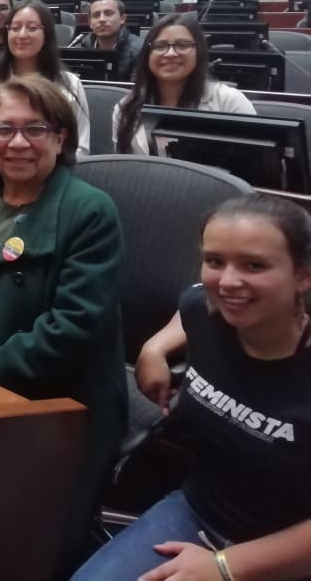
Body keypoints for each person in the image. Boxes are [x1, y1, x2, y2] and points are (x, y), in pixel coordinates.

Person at [0, 75, 127, 576]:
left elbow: (70, 329)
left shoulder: (89, 212)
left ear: (61, 137)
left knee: (14, 547)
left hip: (54, 398)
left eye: (35, 129)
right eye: (3, 129)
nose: (17, 143)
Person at [73, 193, 311, 581]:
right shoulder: (205, 309)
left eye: (254, 265)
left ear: (303, 274)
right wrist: (155, 347)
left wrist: (224, 567)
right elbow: (197, 299)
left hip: (289, 553)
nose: (229, 281)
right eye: (215, 261)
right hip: (201, 514)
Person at [113, 13, 256, 155]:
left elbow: (255, 166)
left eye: (182, 45)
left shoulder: (229, 102)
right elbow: (122, 169)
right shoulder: (126, 108)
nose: (170, 54)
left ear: (198, 52)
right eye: (160, 46)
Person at [0, 0, 91, 156]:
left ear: (47, 34)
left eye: (32, 28)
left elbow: (80, 147)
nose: (22, 35)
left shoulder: (70, 84)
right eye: (15, 28)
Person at [80, 0, 145, 81]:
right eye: (96, 15)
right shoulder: (82, 48)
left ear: (122, 18)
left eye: (108, 13)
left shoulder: (140, 50)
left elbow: (138, 90)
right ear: (90, 23)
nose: (102, 19)